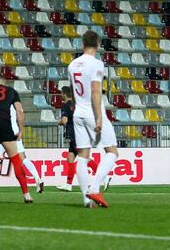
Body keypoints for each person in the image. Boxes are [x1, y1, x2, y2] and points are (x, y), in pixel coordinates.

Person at [68, 30, 118, 208]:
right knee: (112, 151)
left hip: (78, 113)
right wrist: (98, 118)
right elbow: (96, 91)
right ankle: (94, 188)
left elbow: (73, 90)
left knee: (82, 156)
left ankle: (86, 199)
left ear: (83, 45)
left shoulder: (73, 64)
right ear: (97, 45)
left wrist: (74, 107)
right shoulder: (96, 64)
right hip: (92, 112)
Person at [0, 77, 45, 195]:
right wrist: (20, 130)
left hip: (0, 129)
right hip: (12, 130)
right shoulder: (11, 96)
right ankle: (38, 178)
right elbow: (20, 112)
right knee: (22, 158)